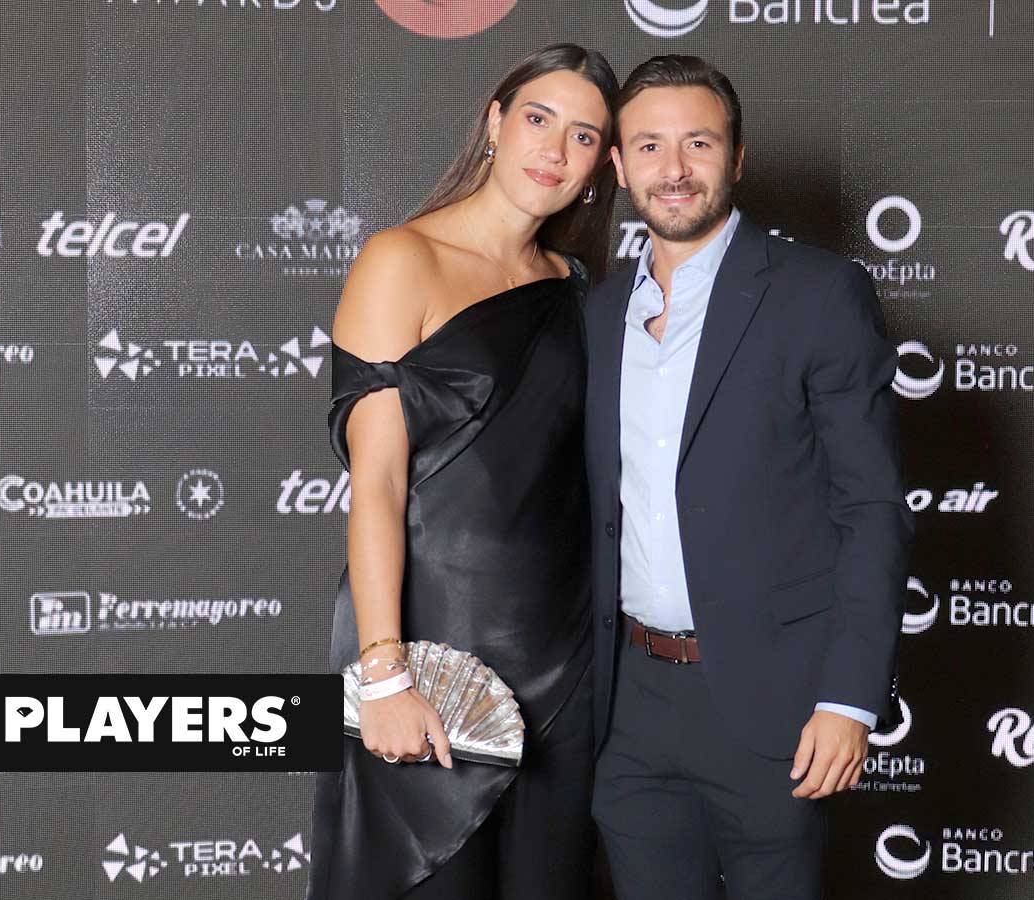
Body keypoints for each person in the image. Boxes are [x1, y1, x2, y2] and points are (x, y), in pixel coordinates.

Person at [584, 55, 913, 899]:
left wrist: (848, 699)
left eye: (698, 143)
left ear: (736, 157)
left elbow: (872, 507)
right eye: (649, 146)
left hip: (777, 702)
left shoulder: (819, 294)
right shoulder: (597, 311)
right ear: (618, 165)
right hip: (628, 706)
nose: (674, 168)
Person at [304, 43, 618, 900]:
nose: (554, 150)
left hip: (563, 658)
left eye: (583, 136)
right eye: (538, 119)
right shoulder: (400, 259)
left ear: (601, 166)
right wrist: (386, 674)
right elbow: (377, 485)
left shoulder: (579, 288)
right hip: (431, 652)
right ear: (494, 123)